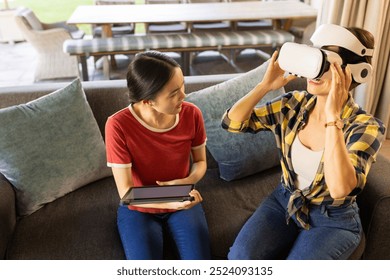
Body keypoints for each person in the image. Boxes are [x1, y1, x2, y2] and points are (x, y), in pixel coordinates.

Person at [222, 24, 386, 260]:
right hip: (284, 200)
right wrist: (264, 86)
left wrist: (333, 119)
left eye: (325, 64)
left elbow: (340, 188)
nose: (314, 72)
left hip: (333, 219)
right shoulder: (294, 104)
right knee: (240, 259)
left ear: (351, 73)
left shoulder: (366, 126)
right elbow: (232, 123)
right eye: (313, 60)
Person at [105, 51, 210, 260]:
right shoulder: (117, 125)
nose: (184, 96)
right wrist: (171, 199)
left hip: (182, 199)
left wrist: (187, 182)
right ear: (147, 101)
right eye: (173, 93)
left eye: (182, 86)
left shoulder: (192, 114)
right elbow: (127, 193)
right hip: (138, 208)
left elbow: (200, 162)